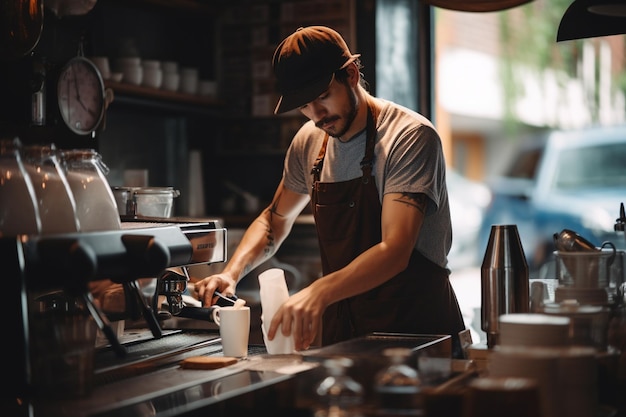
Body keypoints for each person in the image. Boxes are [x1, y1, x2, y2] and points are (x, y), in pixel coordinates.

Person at [194, 25, 466, 358]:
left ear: (351, 74)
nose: (316, 115)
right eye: (304, 106)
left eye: (322, 97)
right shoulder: (308, 143)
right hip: (346, 335)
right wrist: (231, 273)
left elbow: (395, 249)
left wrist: (320, 291)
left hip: (418, 334)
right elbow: (274, 220)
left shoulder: (409, 137)